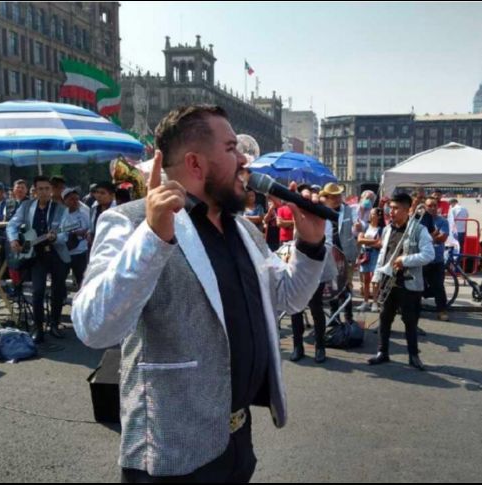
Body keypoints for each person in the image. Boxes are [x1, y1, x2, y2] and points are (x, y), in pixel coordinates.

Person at [72, 105, 326, 482]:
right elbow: (94, 327)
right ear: (195, 163)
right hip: (171, 454)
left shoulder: (244, 231)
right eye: (231, 148)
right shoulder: (130, 221)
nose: (245, 160)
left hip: (236, 442)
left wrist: (311, 244)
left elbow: (288, 297)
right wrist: (153, 238)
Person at [368, 193, 435, 370]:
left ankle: (413, 356)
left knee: (410, 321)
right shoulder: (387, 229)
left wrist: (405, 260)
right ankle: (382, 352)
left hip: (409, 283)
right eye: (390, 207)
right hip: (388, 280)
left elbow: (429, 255)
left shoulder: (419, 230)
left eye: (396, 208)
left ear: (407, 210)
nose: (391, 211)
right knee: (384, 319)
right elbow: (383, 255)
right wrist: (376, 277)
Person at [7, 176, 71, 343]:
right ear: (34, 191)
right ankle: (38, 327)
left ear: (51, 190)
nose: (44, 192)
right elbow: (12, 224)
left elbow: (65, 234)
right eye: (40, 189)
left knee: (58, 290)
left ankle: (55, 324)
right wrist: (14, 239)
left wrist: (55, 238)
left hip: (56, 254)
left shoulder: (61, 209)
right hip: (36, 254)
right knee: (37, 291)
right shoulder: (26, 206)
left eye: (47, 188)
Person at [290, 185, 336, 364]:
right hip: (299, 269)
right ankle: (297, 346)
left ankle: (320, 346)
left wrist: (312, 245)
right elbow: (294, 240)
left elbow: (328, 245)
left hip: (318, 269)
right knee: (296, 309)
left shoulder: (323, 219)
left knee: (316, 308)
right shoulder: (299, 217)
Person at [321, 182, 359, 326]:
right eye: (333, 196)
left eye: (338, 196)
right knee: (332, 285)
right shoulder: (322, 211)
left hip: (346, 254)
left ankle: (349, 317)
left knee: (346, 286)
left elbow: (357, 226)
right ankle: (334, 316)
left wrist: (358, 227)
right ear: (326, 198)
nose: (337, 199)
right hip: (329, 254)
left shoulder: (349, 210)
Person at [422, 196, 451, 321]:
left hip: (437, 259)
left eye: (435, 205)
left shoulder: (443, 221)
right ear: (425, 207)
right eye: (429, 206)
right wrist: (434, 236)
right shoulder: (420, 221)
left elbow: (443, 238)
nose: (433, 208)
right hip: (421, 260)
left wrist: (426, 238)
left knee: (439, 286)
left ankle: (442, 311)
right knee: (417, 286)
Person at [61, 187, 90, 291]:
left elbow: (91, 228)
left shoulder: (84, 212)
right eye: (72, 199)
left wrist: (83, 232)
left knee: (82, 281)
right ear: (65, 200)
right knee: (59, 280)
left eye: (77, 199)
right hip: (64, 252)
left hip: (80, 252)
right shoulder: (61, 214)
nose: (75, 202)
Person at [355, 207, 383, 312]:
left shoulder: (382, 229)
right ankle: (365, 301)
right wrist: (374, 241)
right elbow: (359, 240)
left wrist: (366, 241)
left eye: (373, 214)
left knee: (375, 279)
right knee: (365, 279)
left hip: (375, 254)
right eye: (370, 214)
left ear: (379, 216)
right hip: (365, 254)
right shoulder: (366, 226)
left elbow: (380, 244)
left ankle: (375, 302)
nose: (371, 216)